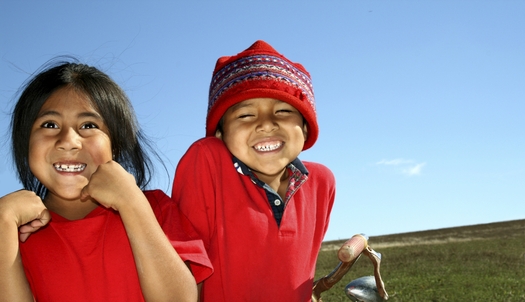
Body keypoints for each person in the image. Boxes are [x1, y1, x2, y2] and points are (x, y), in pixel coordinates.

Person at [0, 60, 212, 302]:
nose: (69, 140)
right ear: (24, 142)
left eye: (88, 125)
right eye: (50, 125)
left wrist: (132, 203)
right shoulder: (15, 235)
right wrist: (3, 220)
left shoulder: (155, 209)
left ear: (116, 143)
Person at [172, 40, 335, 301]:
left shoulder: (321, 183)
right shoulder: (208, 161)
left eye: (283, 111)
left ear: (305, 128)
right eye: (246, 115)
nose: (266, 124)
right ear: (219, 133)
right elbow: (188, 266)